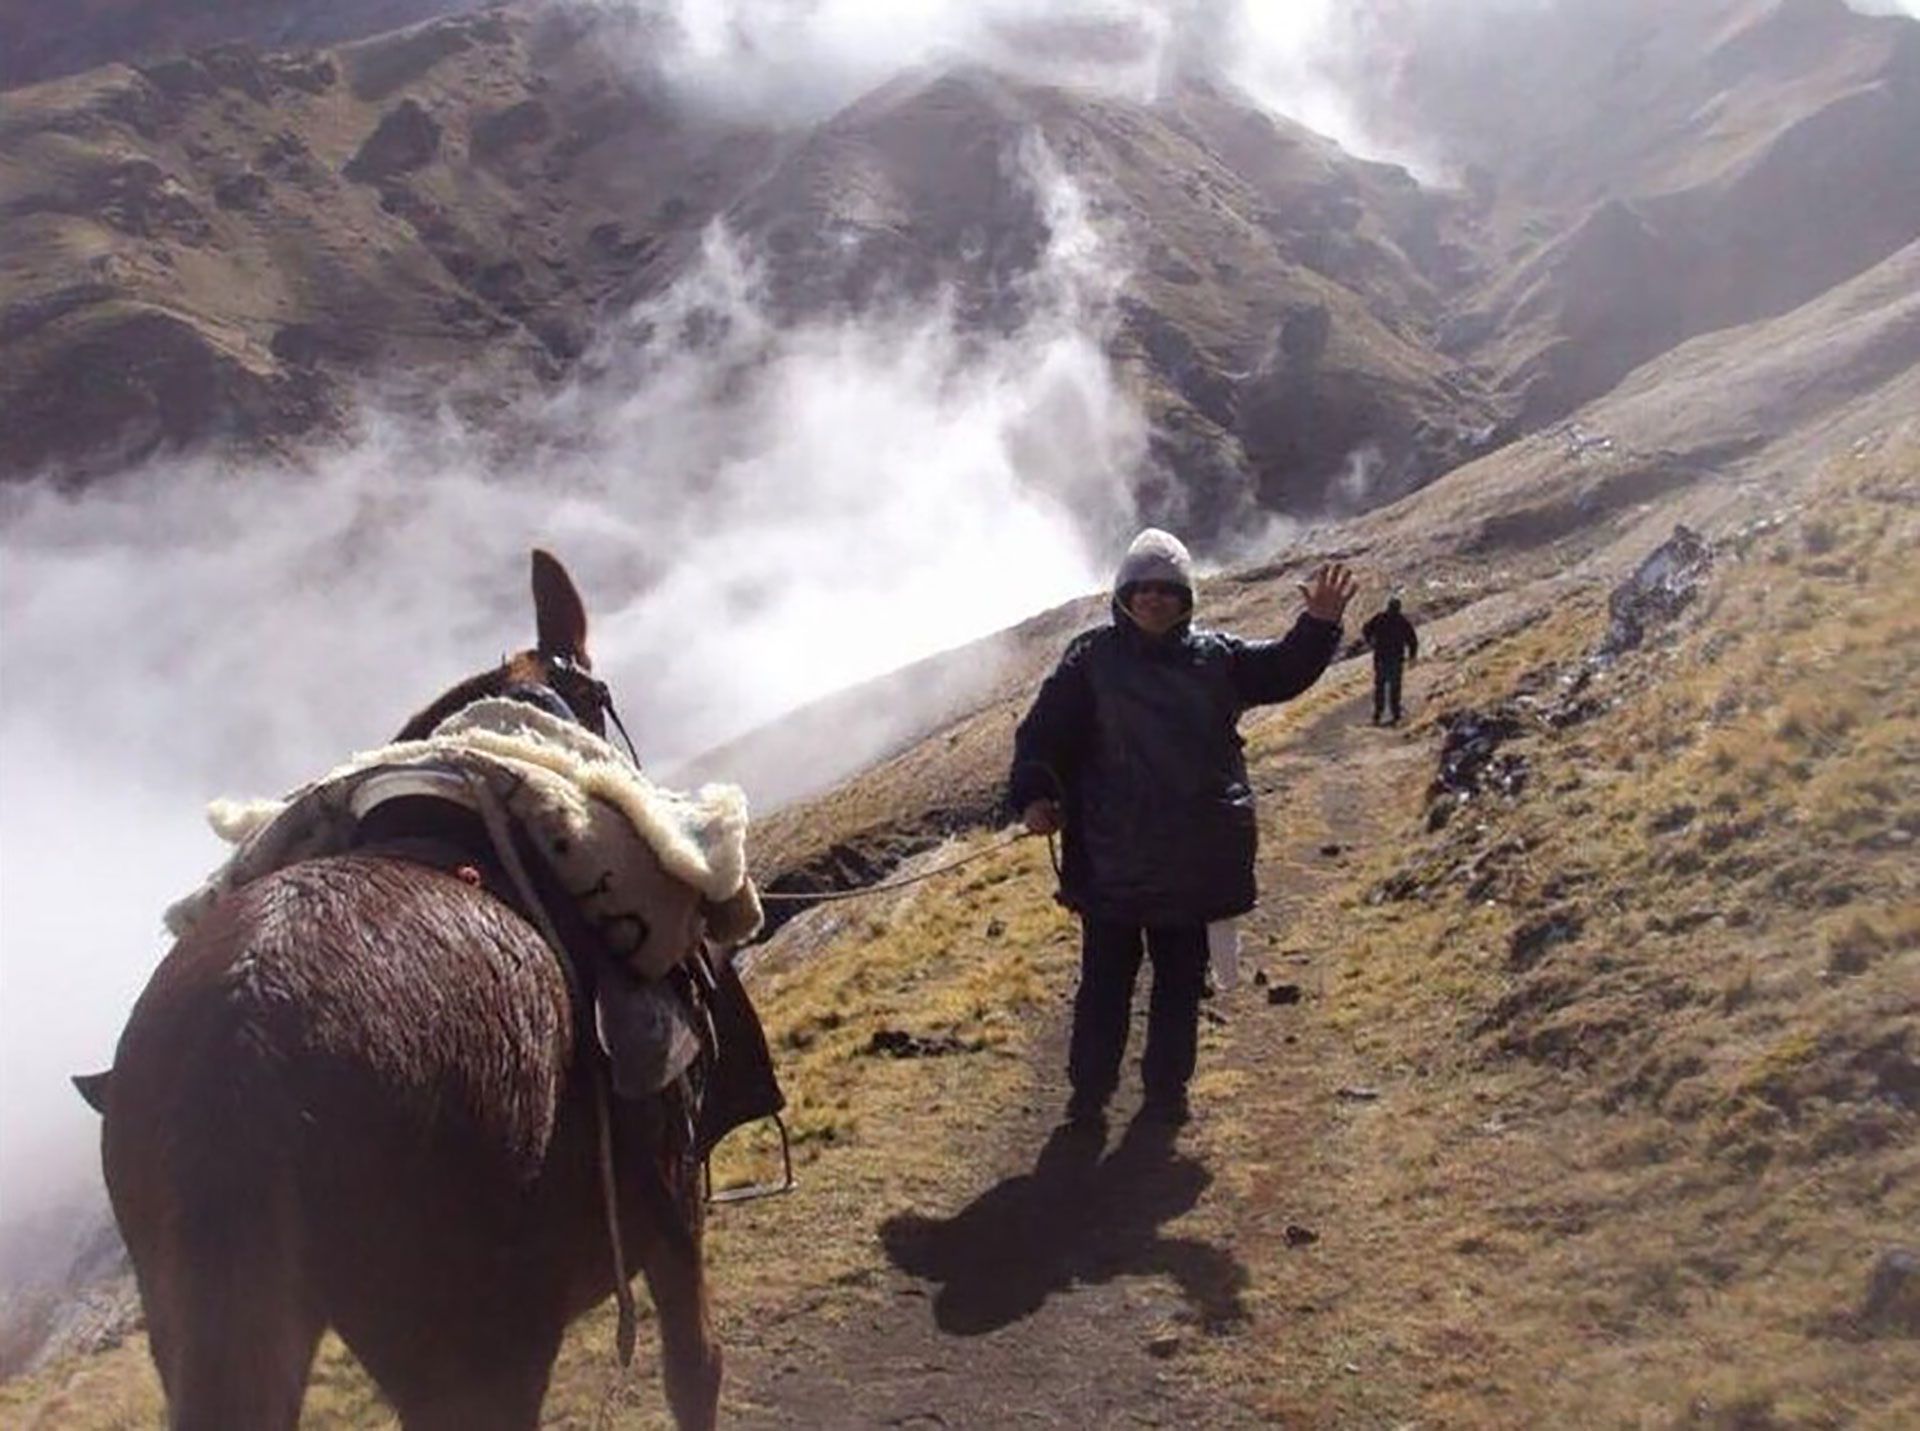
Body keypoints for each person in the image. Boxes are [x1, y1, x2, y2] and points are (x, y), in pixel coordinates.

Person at [1007, 528, 1355, 1129]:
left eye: (1167, 589)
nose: (1155, 599)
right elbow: (1043, 736)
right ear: (1123, 594)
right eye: (1143, 587)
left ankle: (1166, 1096)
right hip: (1111, 858)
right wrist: (1035, 796)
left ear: (1186, 598)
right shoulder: (1089, 661)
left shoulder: (1216, 658)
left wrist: (1319, 624)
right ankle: (1088, 1098)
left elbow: (1282, 670)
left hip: (1189, 862)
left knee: (1177, 987)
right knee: (1104, 987)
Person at [1360, 595, 1418, 725]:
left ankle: (1377, 715)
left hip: (1381, 658)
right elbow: (1412, 640)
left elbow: (1365, 629)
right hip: (1396, 659)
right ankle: (1395, 715)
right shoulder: (1402, 621)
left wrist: (1370, 641)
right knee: (1395, 688)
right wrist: (1412, 657)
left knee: (1380, 687)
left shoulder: (1380, 618)